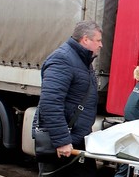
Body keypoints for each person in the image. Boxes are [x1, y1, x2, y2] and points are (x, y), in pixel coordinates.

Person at [36, 20, 102, 177]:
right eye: (98, 40)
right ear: (85, 39)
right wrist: (62, 141)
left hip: (77, 139)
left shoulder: (83, 61)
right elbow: (50, 104)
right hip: (64, 142)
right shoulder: (63, 59)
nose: (101, 45)